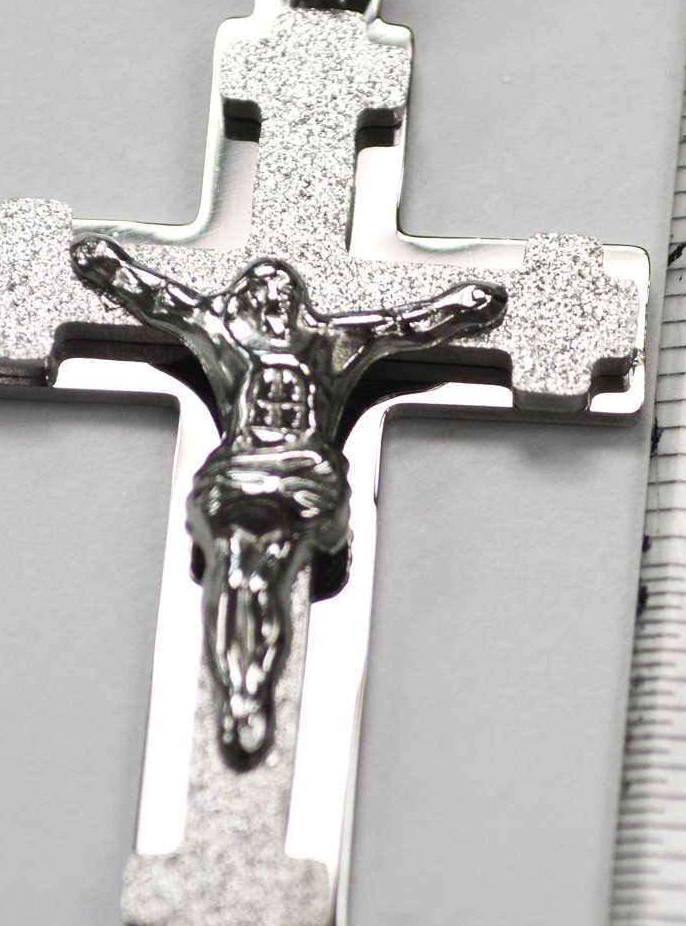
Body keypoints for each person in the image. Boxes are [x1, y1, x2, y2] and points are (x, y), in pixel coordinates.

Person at [72, 234, 507, 764]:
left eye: (282, 291)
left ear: (299, 302)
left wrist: (458, 308)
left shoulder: (331, 342)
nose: (273, 298)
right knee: (237, 576)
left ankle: (255, 687)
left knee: (265, 578)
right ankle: (241, 691)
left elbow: (402, 326)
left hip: (302, 475)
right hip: (242, 469)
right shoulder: (223, 334)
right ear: (243, 301)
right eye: (260, 291)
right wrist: (110, 266)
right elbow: (159, 298)